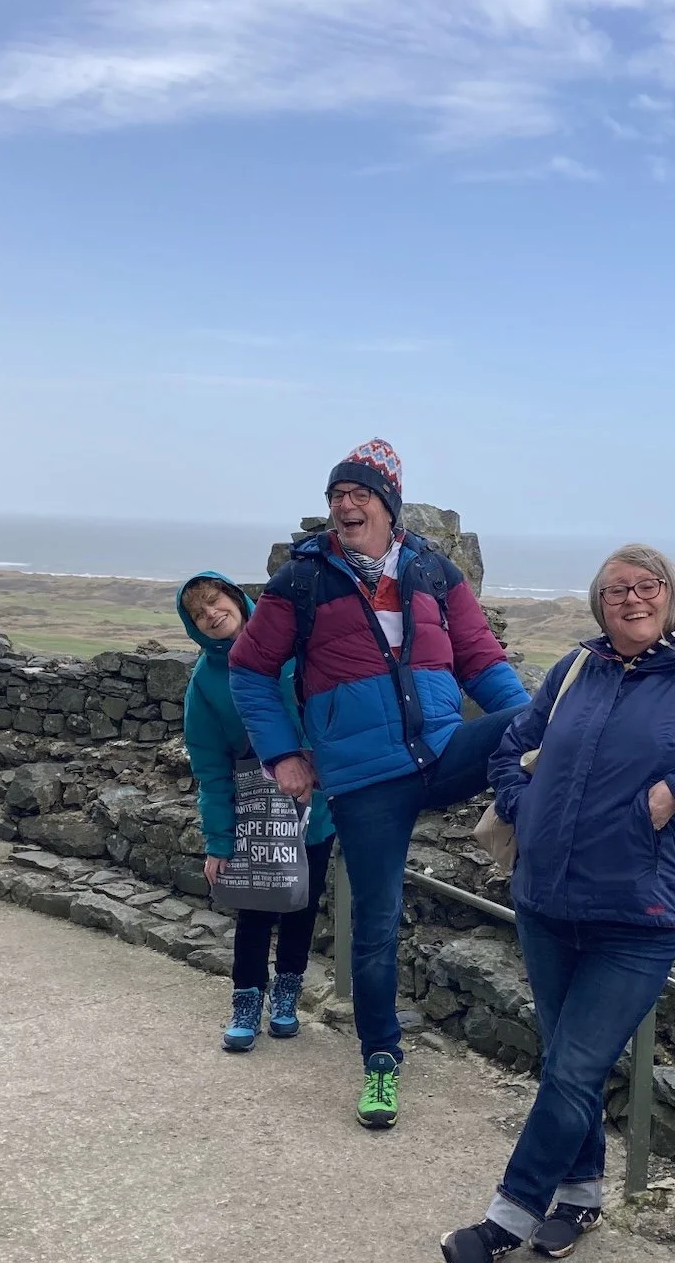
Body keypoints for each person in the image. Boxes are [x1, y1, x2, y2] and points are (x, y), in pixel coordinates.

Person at [442, 545, 675, 1263]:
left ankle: (507, 1217)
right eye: (617, 589)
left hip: (637, 916)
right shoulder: (576, 668)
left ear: (670, 596)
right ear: (599, 603)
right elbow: (512, 746)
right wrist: (526, 804)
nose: (633, 599)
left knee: (575, 1068)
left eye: (648, 586)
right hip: (547, 900)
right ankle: (581, 1196)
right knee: (564, 1061)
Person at [229, 439, 531, 1129]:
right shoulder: (303, 579)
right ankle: (381, 1065)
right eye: (337, 494)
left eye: (360, 492)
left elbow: (482, 657)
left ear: (388, 504)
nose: (345, 503)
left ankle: (533, 828)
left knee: (547, 721)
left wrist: (523, 727)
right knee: (375, 926)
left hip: (443, 749)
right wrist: (283, 757)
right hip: (367, 782)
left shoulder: (431, 568)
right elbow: (249, 670)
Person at [177, 573, 337, 1051]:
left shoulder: (288, 651)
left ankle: (286, 997)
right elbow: (210, 767)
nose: (211, 614)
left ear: (236, 599)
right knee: (254, 907)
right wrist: (218, 841)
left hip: (315, 804)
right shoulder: (204, 683)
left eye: (215, 601)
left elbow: (327, 713)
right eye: (199, 613)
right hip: (253, 810)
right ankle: (247, 1001)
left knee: (302, 904)